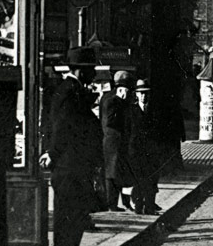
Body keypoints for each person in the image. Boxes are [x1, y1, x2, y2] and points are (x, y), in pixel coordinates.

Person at [39, 47, 104, 246]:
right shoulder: (69, 92)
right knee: (69, 225)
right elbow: (61, 127)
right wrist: (53, 152)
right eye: (91, 69)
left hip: (75, 168)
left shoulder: (72, 90)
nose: (93, 74)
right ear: (79, 70)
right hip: (70, 169)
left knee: (73, 224)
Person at [101, 71, 135, 212]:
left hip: (118, 141)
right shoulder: (113, 100)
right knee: (112, 174)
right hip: (113, 142)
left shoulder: (107, 97)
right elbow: (110, 121)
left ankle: (124, 203)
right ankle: (112, 204)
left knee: (121, 173)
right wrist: (121, 102)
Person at [129, 79, 162, 215]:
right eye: (141, 93)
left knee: (152, 179)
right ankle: (138, 206)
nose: (143, 96)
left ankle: (149, 207)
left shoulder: (155, 111)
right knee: (138, 180)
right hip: (136, 151)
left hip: (152, 152)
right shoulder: (132, 111)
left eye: (146, 93)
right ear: (136, 94)